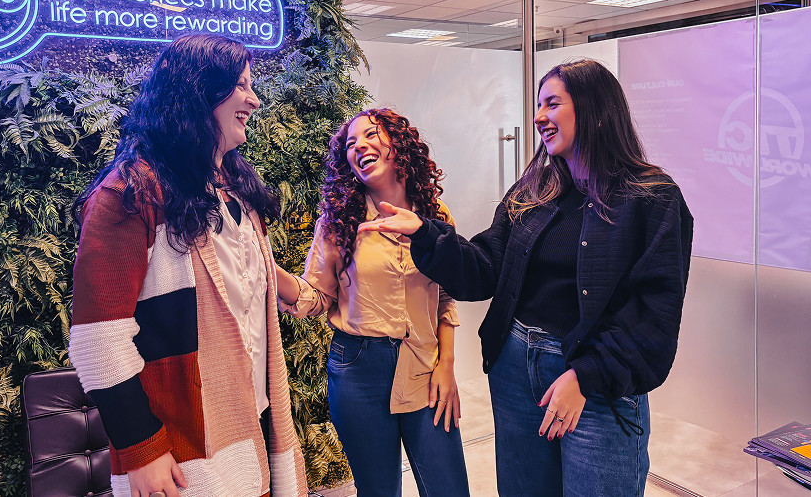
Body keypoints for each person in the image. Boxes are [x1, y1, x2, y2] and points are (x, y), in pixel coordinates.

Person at [360, 59, 694, 497]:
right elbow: (483, 269)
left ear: (594, 109)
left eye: (552, 103)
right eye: (538, 105)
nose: (538, 117)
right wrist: (427, 235)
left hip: (593, 388)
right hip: (517, 371)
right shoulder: (534, 190)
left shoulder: (652, 199)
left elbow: (653, 317)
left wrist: (585, 376)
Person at [69, 34, 307, 497]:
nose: (254, 100)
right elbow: (99, 342)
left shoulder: (234, 188)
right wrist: (141, 448)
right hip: (182, 451)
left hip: (251, 421)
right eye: (239, 86)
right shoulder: (130, 193)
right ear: (199, 91)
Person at [275, 107, 470, 497]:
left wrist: (446, 365)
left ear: (399, 144)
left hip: (424, 367)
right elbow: (317, 297)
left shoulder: (434, 215)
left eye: (370, 135)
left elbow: (445, 295)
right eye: (350, 143)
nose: (359, 146)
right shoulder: (338, 220)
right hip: (358, 369)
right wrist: (270, 271)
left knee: (450, 488)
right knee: (378, 491)